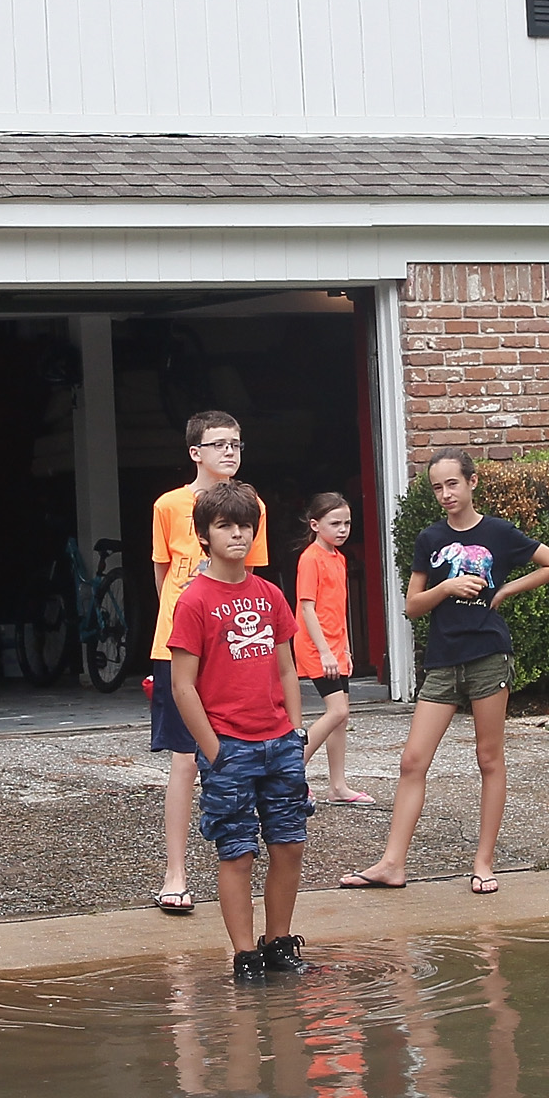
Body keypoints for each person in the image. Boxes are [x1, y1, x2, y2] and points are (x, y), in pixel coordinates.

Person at [339, 450, 549, 896]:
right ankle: (392, 864)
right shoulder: (430, 538)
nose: (445, 494)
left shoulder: (498, 532)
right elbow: (412, 606)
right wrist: (445, 587)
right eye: (437, 487)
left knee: (489, 758)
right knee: (412, 760)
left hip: (488, 656)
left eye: (452, 484)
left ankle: (483, 863)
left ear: (471, 482)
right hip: (443, 660)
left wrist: (505, 590)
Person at [166, 481, 312, 982]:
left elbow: (288, 669)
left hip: (280, 742)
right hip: (229, 747)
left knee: (289, 844)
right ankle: (245, 954)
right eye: (225, 525)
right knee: (238, 852)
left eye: (245, 525)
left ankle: (279, 943)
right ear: (203, 535)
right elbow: (182, 686)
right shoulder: (194, 601)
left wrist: (295, 732)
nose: (237, 534)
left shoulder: (270, 594)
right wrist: (214, 750)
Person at [148, 411, 268, 917]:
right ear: (195, 452)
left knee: (243, 752)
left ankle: (240, 864)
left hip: (235, 647)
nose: (229, 452)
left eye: (236, 444)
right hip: (178, 647)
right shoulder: (168, 505)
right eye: (219, 444)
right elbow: (163, 578)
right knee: (183, 759)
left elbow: (250, 580)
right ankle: (174, 872)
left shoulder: (251, 506)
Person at [293, 493, 370, 806]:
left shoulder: (339, 558)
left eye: (347, 523)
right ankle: (291, 773)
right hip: (316, 646)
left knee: (341, 717)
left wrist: (345, 648)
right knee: (337, 711)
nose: (342, 529)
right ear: (315, 525)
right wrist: (325, 651)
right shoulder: (310, 558)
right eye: (335, 523)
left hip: (336, 646)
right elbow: (307, 608)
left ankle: (337, 786)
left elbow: (338, 608)